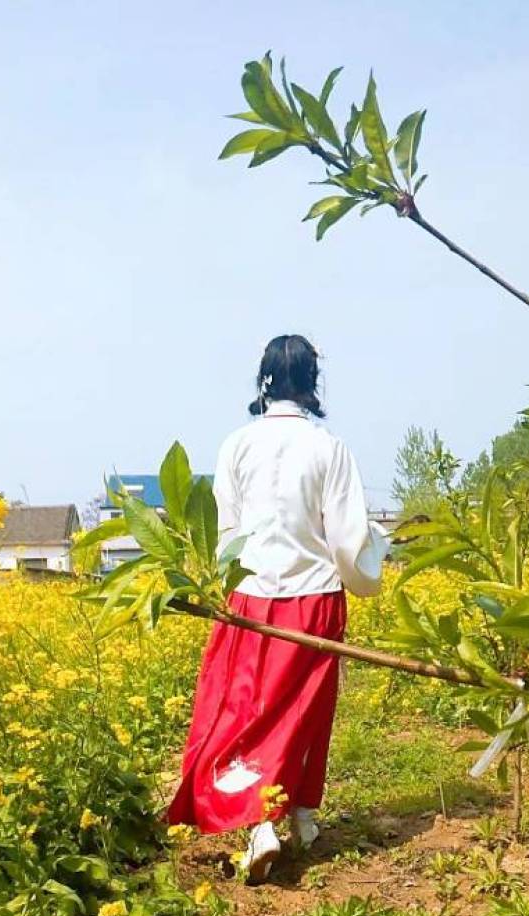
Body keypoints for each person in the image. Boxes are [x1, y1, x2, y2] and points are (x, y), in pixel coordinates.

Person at [167, 334, 389, 881]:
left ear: (263, 380)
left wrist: (224, 591)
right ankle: (290, 817)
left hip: (249, 596)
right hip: (313, 599)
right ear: (312, 381)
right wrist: (369, 568)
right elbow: (346, 536)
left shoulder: (237, 445)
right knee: (305, 711)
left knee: (248, 709)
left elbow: (224, 530)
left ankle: (273, 820)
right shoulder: (328, 447)